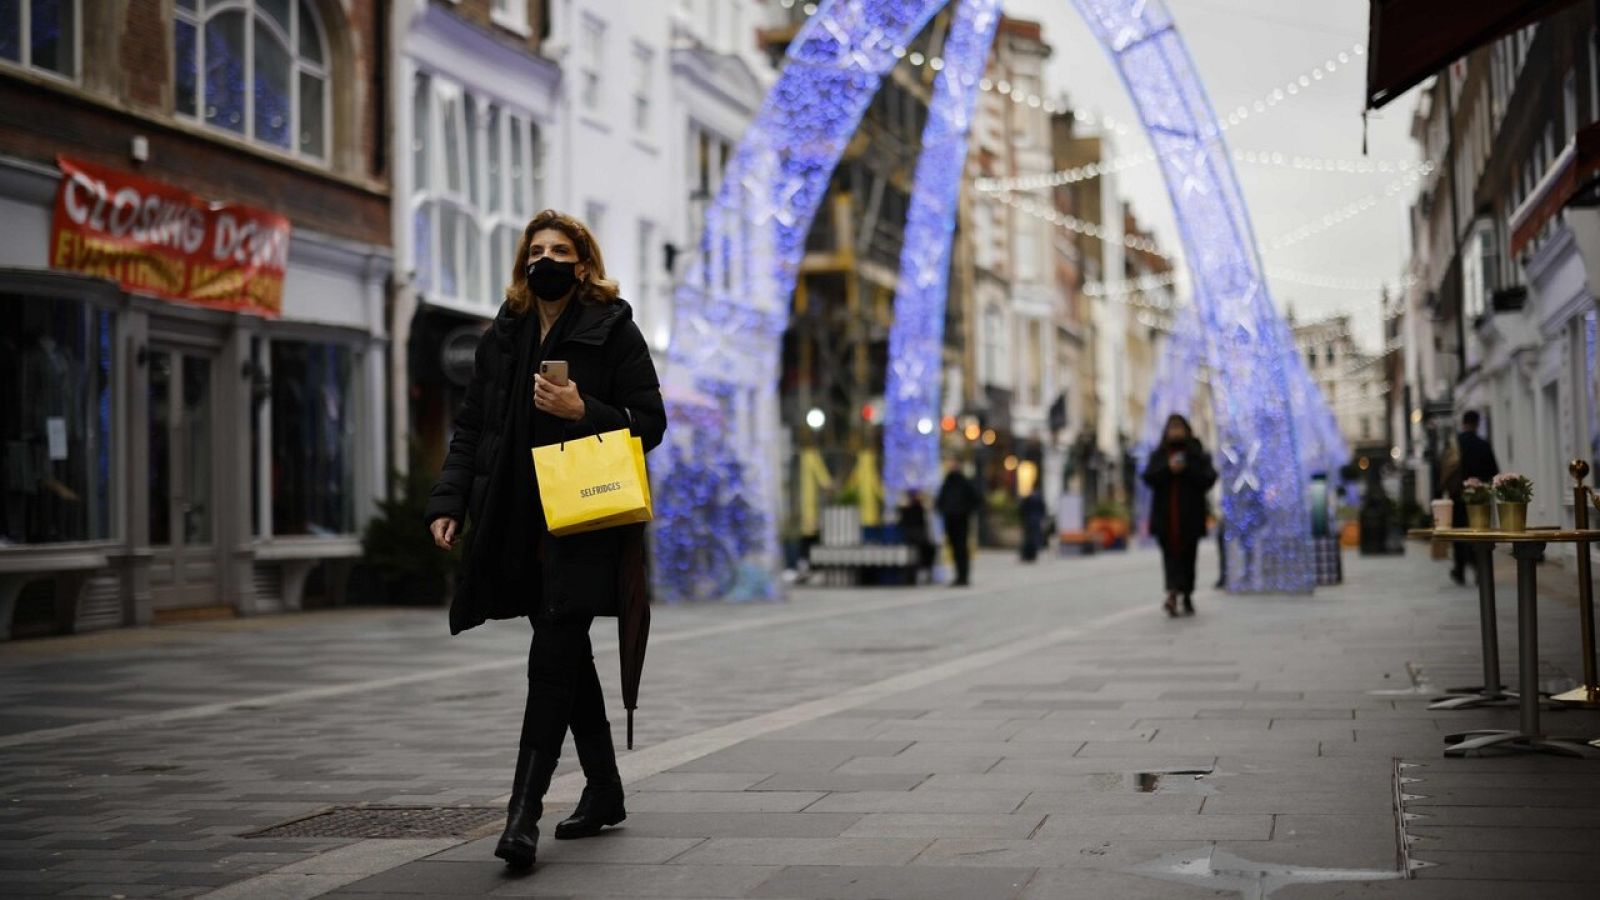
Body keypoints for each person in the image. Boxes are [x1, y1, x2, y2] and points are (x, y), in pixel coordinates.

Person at [424, 210, 666, 870]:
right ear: (523, 262)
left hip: (583, 519)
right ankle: (605, 789)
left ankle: (522, 815)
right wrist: (448, 502)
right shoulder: (503, 333)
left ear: (583, 264)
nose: (546, 260)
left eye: (560, 250)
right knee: (566, 654)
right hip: (515, 518)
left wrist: (583, 410)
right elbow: (472, 427)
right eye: (536, 251)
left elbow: (650, 422)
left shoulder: (613, 329)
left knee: (552, 654)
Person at [1141, 414, 1217, 617]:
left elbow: (1209, 478)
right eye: (1172, 428)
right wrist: (1169, 469)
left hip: (1190, 517)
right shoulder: (1160, 454)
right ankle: (1173, 593)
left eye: (1179, 427)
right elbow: (1148, 477)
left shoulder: (1196, 453)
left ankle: (1188, 594)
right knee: (1170, 557)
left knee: (1189, 557)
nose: (1175, 432)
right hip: (1165, 519)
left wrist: (1187, 468)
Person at [1444, 410, 1500, 585]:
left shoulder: (1454, 445)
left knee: (1459, 532)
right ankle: (1479, 568)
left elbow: (1444, 469)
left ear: (1463, 423)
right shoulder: (1483, 444)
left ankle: (1459, 569)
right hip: (1480, 496)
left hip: (1458, 496)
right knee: (1479, 532)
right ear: (1477, 423)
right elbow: (1494, 471)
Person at [936, 463, 981, 587]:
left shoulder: (962, 484)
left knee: (961, 549)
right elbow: (940, 502)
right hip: (952, 521)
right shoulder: (948, 484)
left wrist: (964, 511)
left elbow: (976, 501)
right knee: (956, 549)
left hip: (960, 521)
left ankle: (963, 576)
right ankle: (960, 576)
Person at [897, 489, 935, 583]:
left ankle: (923, 574)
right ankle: (911, 576)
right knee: (914, 551)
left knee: (928, 550)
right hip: (911, 537)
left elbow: (928, 507)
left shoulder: (920, 507)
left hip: (919, 537)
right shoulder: (905, 508)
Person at [1019, 490, 1046, 562]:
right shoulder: (1039, 499)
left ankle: (1027, 555)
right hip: (1036, 520)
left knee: (1028, 538)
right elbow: (1043, 509)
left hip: (1028, 520)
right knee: (1034, 537)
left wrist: (1023, 519)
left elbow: (1023, 509)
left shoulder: (1027, 499)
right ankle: (1032, 555)